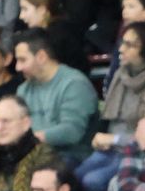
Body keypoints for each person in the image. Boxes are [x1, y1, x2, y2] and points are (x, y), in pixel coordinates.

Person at [79, 22, 145, 191]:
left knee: (93, 181)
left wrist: (113, 139)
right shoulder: (120, 74)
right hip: (109, 148)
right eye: (122, 43)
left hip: (135, 152)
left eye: (130, 45)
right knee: (74, 177)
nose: (121, 49)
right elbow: (108, 120)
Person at [15, 28, 99, 164]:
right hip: (33, 155)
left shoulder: (74, 83)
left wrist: (32, 139)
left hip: (70, 155)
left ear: (41, 56)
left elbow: (72, 131)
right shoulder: (23, 90)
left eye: (22, 60)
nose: (18, 67)